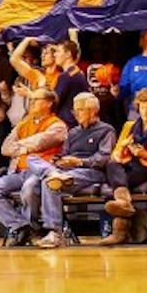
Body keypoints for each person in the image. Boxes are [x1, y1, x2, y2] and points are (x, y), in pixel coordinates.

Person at [0, 87, 67, 247]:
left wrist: (21, 146)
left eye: (36, 99)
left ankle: (31, 228)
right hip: (18, 172)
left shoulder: (57, 125)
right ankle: (22, 226)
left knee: (28, 189)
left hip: (39, 173)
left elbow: (42, 141)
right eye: (31, 99)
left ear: (48, 103)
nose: (32, 102)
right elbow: (5, 148)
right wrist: (25, 147)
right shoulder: (24, 123)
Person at [34, 92, 116, 249]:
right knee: (34, 161)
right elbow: (64, 154)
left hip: (91, 172)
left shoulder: (106, 130)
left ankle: (55, 232)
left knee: (50, 183)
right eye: (75, 110)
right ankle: (54, 174)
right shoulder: (73, 132)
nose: (75, 114)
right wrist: (59, 161)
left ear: (93, 110)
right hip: (67, 171)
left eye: (80, 110)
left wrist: (79, 161)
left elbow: (103, 159)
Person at [101, 88, 147, 245]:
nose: (145, 112)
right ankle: (123, 202)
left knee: (122, 179)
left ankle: (119, 232)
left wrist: (143, 154)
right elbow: (115, 155)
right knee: (112, 165)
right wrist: (123, 147)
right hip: (128, 164)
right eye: (142, 108)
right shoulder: (129, 126)